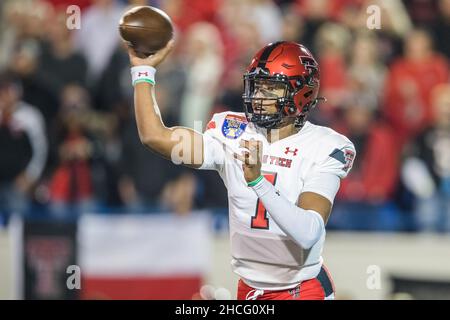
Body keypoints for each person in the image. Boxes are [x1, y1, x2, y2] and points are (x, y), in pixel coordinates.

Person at [127, 40, 356, 300]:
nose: (259, 96)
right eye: (257, 86)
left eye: (272, 89)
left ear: (300, 94)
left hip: (299, 289)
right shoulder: (232, 131)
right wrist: (143, 73)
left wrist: (258, 180)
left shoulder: (325, 146)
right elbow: (154, 137)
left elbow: (308, 233)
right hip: (248, 288)